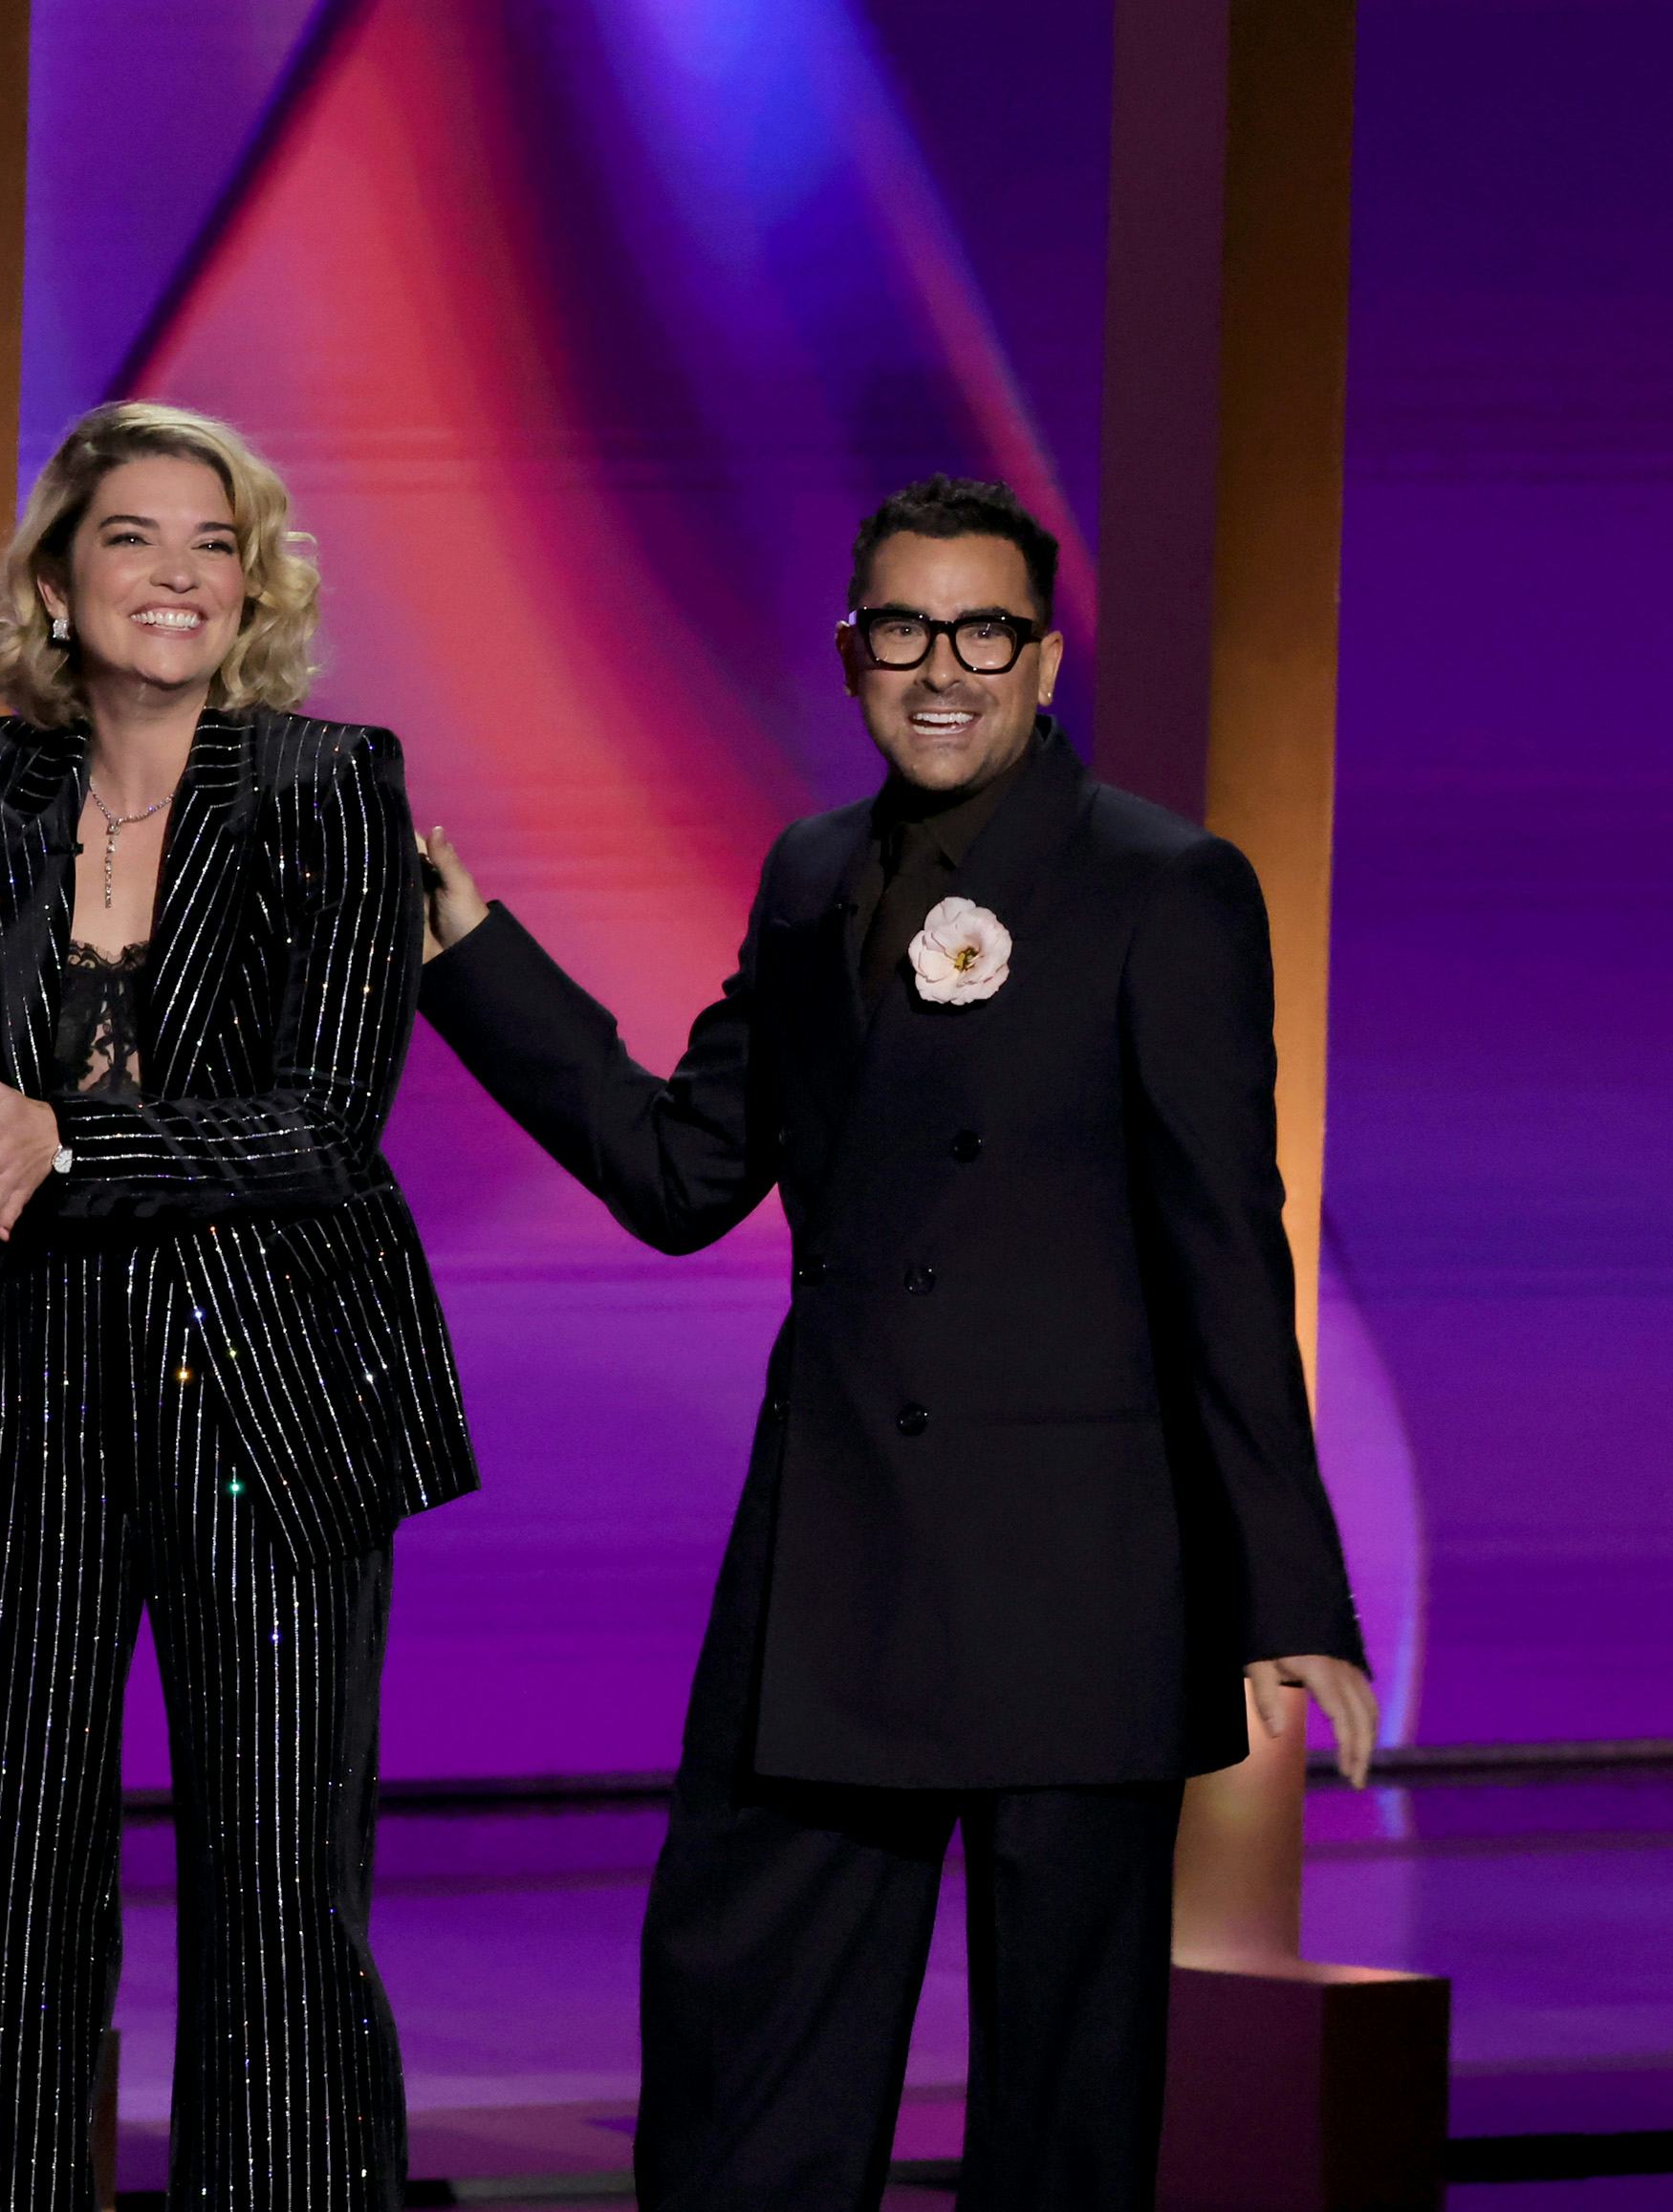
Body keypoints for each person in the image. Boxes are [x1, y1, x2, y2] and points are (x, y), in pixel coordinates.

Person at [413, 475, 1376, 2210]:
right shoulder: (806, 873)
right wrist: (469, 954)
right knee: (739, 2043)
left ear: (1043, 655)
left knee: (1061, 2110)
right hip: (835, 1570)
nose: (943, 667)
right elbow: (681, 1171)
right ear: (852, 652)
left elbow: (1227, 1249)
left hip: (1077, 1586)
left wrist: (1287, 1593)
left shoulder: (1165, 887)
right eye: (902, 630)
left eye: (982, 630)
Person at [0, 401, 479, 2212]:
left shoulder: (332, 782)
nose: (177, 575)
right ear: (56, 571)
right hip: (13, 1395)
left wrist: (62, 1139)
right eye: (133, 537)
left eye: (214, 542)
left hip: (268, 1396)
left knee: (277, 1903)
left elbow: (321, 1117)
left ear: (252, 583)